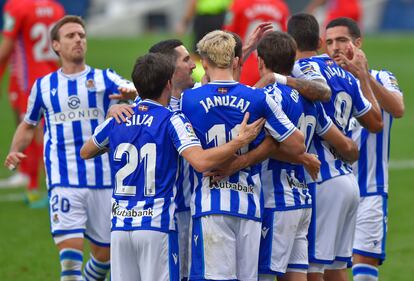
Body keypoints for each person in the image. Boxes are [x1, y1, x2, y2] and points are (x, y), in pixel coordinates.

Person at [80, 52, 265, 281]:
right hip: (156, 227)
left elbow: (86, 151)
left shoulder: (118, 118)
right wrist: (238, 142)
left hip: (119, 228)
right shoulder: (171, 120)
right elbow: (201, 161)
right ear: (168, 83)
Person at [4, 15, 136, 281]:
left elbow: (135, 90)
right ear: (56, 45)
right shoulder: (43, 86)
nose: (78, 40)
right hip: (64, 178)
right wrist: (14, 150)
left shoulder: (105, 78)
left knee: (104, 256)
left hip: (105, 180)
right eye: (71, 36)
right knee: (70, 258)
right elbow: (28, 124)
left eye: (81, 35)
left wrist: (132, 95)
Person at [181, 30, 305, 281]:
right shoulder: (258, 98)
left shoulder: (189, 99)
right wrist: (265, 142)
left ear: (203, 62)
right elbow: (297, 144)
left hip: (210, 206)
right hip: (249, 205)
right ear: (237, 61)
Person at [287, 13, 383, 281]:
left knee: (311, 270)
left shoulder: (300, 70)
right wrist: (362, 76)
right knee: (336, 268)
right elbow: (376, 122)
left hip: (321, 180)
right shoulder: (343, 72)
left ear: (290, 43)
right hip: (347, 181)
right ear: (319, 41)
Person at [324, 17, 405, 281]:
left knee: (364, 274)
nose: (335, 47)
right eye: (329, 42)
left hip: (370, 190)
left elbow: (397, 108)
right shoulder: (322, 83)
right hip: (332, 189)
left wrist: (364, 76)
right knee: (326, 270)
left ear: (358, 43)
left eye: (342, 40)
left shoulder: (381, 77)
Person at [0, 0, 65, 206]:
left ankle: (37, 188)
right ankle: (44, 184)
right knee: (49, 131)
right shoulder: (56, 8)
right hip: (52, 75)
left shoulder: (16, 6)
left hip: (28, 80)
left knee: (31, 128)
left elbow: (6, 48)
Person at [148, 39, 196, 281]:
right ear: (170, 71)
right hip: (162, 216)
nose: (194, 65)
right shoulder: (141, 109)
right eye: (186, 60)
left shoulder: (195, 101)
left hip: (189, 211)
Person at [223, 0, 290, 86]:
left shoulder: (239, 4)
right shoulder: (281, 6)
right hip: (275, 71)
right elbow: (287, 40)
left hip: (245, 69)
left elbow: (226, 36)